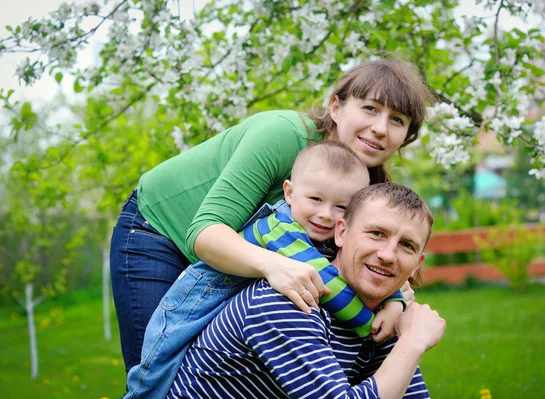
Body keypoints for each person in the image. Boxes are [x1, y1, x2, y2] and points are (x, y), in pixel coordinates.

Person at [110, 58, 434, 372]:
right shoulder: (282, 136)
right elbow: (205, 233)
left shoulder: (366, 185)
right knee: (159, 372)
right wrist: (274, 265)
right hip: (159, 231)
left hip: (232, 258)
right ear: (335, 107)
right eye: (370, 109)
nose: (380, 128)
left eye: (397, 120)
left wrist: (396, 301)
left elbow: (365, 260)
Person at [124, 141, 411, 399]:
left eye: (341, 206)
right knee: (157, 371)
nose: (325, 214)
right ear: (289, 192)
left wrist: (394, 301)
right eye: (315, 200)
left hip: (236, 301)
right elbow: (326, 284)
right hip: (199, 300)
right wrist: (369, 322)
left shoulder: (319, 234)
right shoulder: (281, 228)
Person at [167, 183, 445, 399]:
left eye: (406, 245)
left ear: (416, 265)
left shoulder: (380, 316)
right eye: (376, 234)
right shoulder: (290, 300)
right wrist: (412, 343)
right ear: (341, 234)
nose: (387, 255)